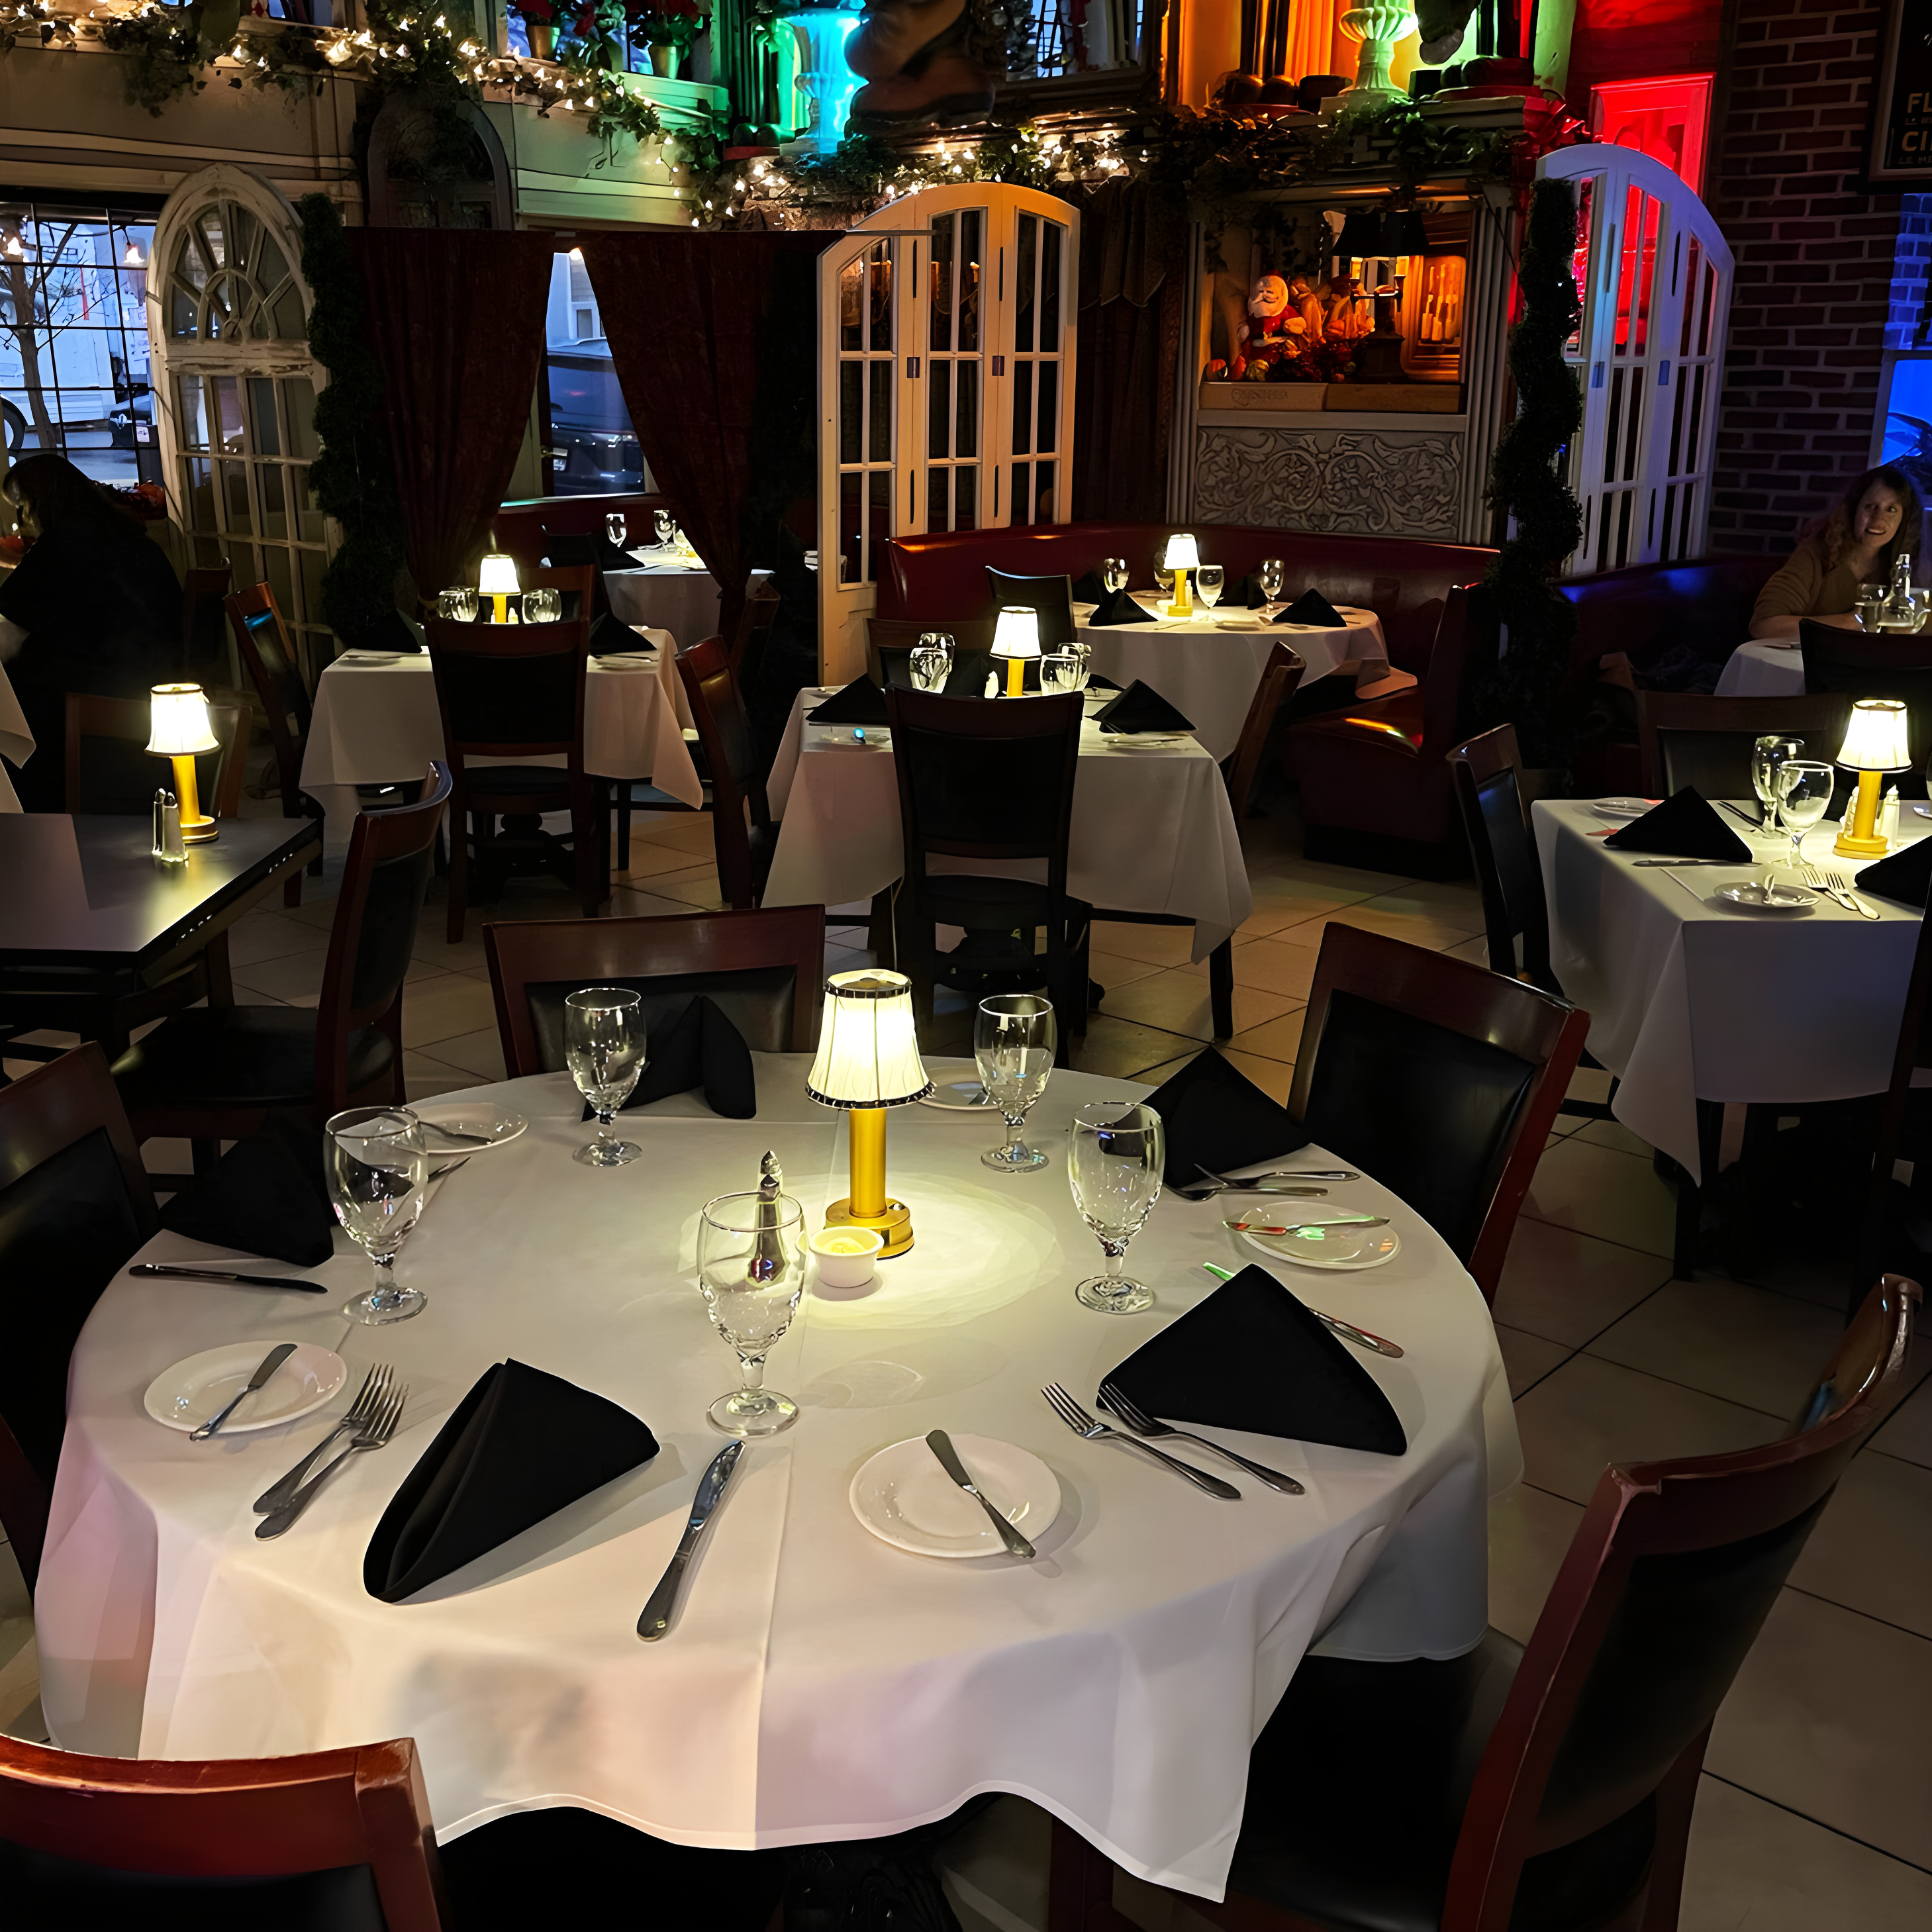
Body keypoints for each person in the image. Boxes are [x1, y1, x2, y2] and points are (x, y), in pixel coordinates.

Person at [0, 454, 183, 810]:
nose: (20, 525)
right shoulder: (124, 535)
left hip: (92, 703)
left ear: (41, 503)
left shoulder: (64, 547)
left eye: (21, 509)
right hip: (155, 688)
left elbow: (9, 633)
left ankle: (24, 821)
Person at [1750, 464, 1924, 640]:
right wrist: (1852, 622)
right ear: (1854, 508)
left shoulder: (1905, 568)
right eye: (1870, 507)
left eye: (1891, 510)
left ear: (1905, 519)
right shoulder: (1817, 552)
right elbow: (1763, 626)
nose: (1878, 520)